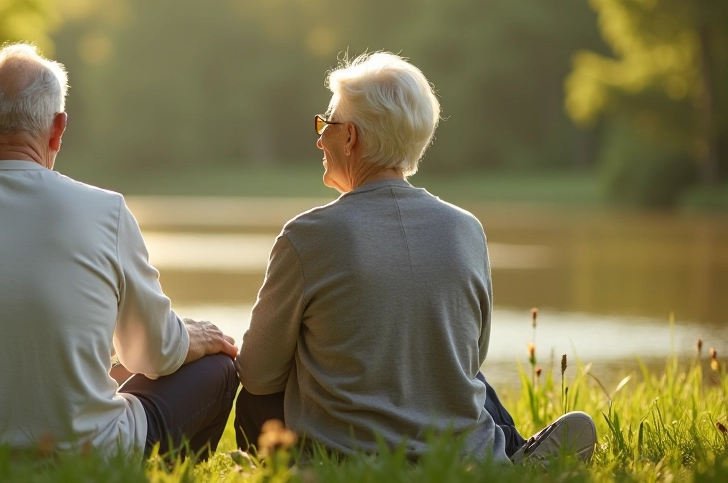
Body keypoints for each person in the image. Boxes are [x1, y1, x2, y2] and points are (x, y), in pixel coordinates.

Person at [0, 43, 239, 460]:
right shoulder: (108, 211)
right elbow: (152, 353)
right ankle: (167, 472)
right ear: (58, 128)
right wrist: (192, 336)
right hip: (91, 456)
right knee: (218, 368)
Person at [234, 52, 596, 463]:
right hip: (459, 457)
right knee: (462, 376)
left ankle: (297, 469)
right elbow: (470, 357)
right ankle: (508, 460)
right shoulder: (467, 231)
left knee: (252, 398)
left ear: (350, 137)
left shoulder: (306, 236)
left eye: (327, 124)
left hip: (343, 459)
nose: (320, 138)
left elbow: (259, 374)